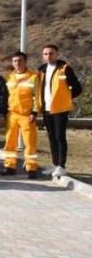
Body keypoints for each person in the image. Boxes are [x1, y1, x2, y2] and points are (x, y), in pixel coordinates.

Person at [38, 44, 83, 178]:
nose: (48, 56)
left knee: (59, 137)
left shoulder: (65, 68)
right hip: (47, 109)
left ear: (57, 54)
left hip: (60, 109)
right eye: (45, 54)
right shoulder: (42, 69)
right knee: (51, 137)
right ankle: (55, 163)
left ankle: (61, 166)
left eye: (51, 53)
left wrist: (66, 99)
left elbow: (77, 88)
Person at [2, 51, 41, 178]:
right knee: (10, 142)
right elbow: (5, 95)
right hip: (12, 114)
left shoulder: (33, 77)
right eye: (15, 61)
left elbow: (37, 97)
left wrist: (34, 112)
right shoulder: (9, 77)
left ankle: (31, 168)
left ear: (25, 61)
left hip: (27, 115)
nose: (17, 63)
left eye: (20, 60)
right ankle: (10, 166)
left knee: (30, 142)